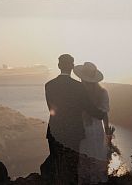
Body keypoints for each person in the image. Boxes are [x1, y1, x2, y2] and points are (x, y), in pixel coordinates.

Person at [41, 54, 106, 185]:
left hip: (55, 130)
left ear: (59, 66)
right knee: (72, 167)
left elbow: (51, 109)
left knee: (56, 163)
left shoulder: (49, 85)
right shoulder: (78, 87)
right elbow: (88, 107)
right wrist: (101, 114)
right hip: (73, 131)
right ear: (72, 66)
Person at [74, 62, 110, 184]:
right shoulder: (103, 93)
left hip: (83, 129)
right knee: (97, 155)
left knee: (84, 159)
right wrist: (107, 130)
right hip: (97, 130)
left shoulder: (78, 93)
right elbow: (104, 114)